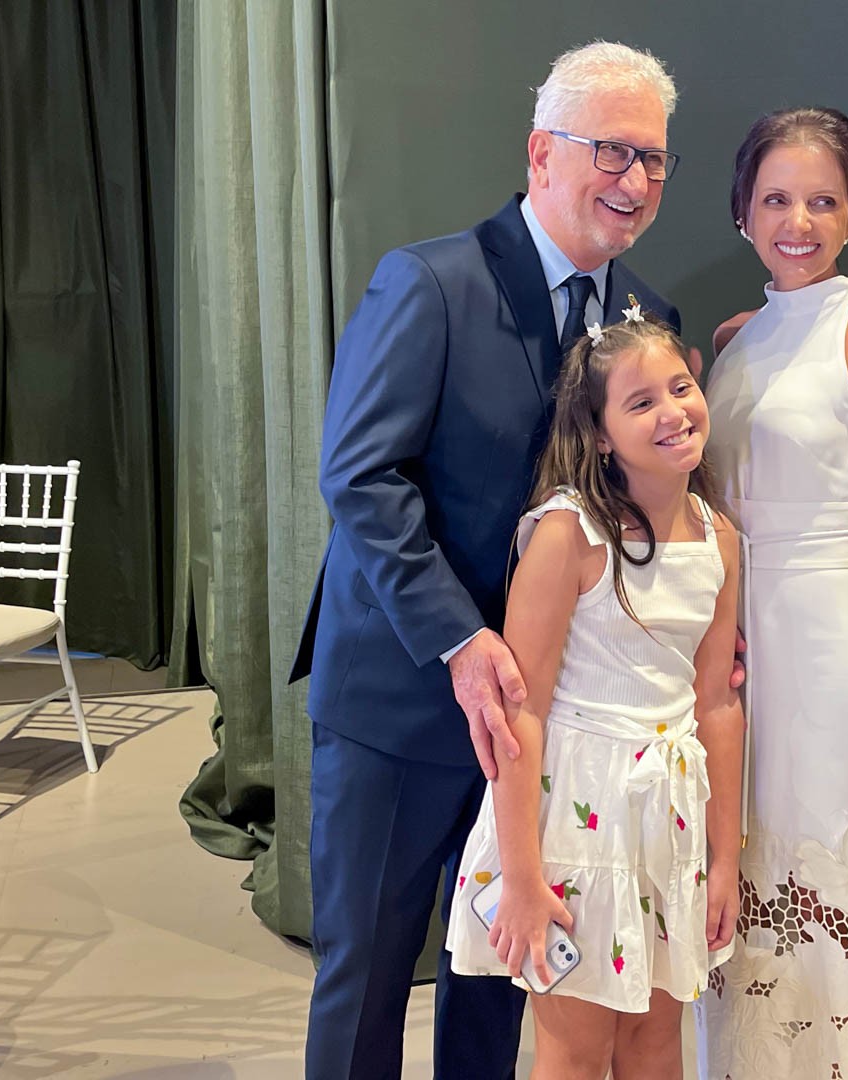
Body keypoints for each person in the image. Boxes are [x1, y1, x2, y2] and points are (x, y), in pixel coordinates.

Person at [288, 42, 684, 1078]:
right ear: (541, 153)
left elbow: (644, 514)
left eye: (653, 158)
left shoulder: (651, 323)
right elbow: (360, 476)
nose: (635, 180)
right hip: (405, 699)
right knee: (368, 975)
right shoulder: (429, 283)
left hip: (546, 722)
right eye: (611, 151)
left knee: (500, 980)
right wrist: (463, 641)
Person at [693, 107, 848, 1079]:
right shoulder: (730, 340)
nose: (799, 222)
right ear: (743, 212)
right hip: (731, 647)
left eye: (823, 201)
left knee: (826, 890)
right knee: (734, 880)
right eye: (777, 200)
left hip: (833, 647)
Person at [447, 311, 744, 1080]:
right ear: (601, 435)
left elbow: (716, 703)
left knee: (654, 1045)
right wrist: (522, 876)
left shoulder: (718, 537)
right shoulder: (567, 535)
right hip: (575, 821)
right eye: (641, 402)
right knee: (576, 1052)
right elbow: (522, 711)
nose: (672, 411)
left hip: (668, 818)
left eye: (679, 388)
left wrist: (723, 858)